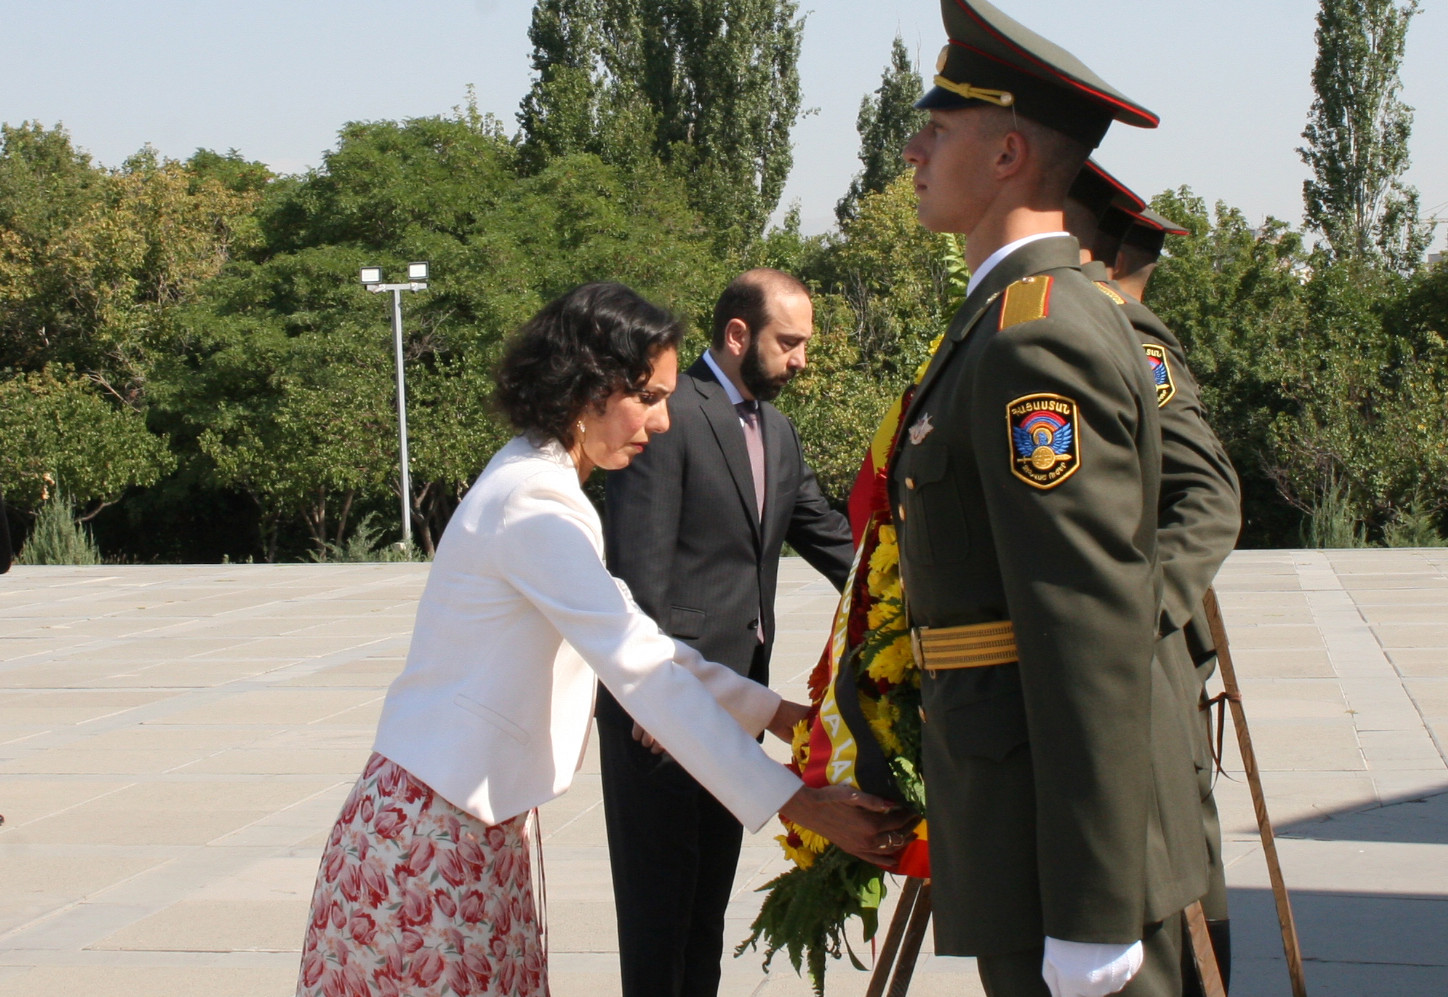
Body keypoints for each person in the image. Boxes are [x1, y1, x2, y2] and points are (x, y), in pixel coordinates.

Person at [294, 283, 911, 997]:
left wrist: (780, 716)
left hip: (470, 822)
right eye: (648, 396)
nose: (664, 419)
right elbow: (640, 668)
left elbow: (645, 642)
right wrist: (797, 801)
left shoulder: (543, 485)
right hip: (431, 834)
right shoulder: (536, 506)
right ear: (586, 390)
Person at [891, 1, 1204, 994]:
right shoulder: (1004, 319)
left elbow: (1087, 625)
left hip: (1051, 845)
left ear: (1007, 155)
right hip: (1016, 813)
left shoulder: (1037, 336)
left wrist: (1090, 904)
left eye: (937, 131)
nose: (912, 149)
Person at [597, 269, 853, 997]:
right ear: (739, 334)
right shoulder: (666, 412)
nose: (801, 359)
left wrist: (898, 593)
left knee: (704, 915)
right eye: (790, 342)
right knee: (658, 924)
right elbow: (637, 569)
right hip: (663, 715)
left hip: (737, 709)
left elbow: (832, 539)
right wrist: (653, 695)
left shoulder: (777, 430)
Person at [1065, 163, 1242, 995]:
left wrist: (1133, 614)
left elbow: (1207, 496)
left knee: (1173, 866)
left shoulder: (1128, 338)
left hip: (1141, 649)